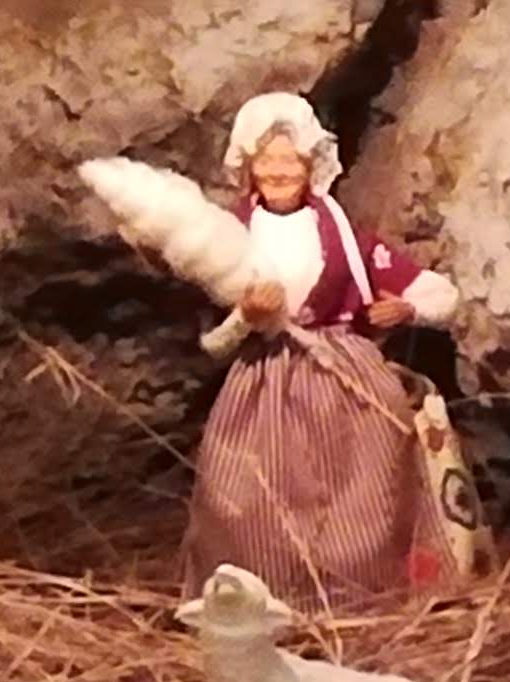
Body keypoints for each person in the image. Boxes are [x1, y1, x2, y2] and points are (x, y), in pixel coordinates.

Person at [180, 92, 464, 613]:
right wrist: (247, 318)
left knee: (365, 491)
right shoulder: (227, 243)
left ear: (312, 164)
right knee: (247, 497)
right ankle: (262, 607)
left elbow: (443, 295)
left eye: (290, 159)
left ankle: (359, 603)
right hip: (263, 384)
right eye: (267, 160)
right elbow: (212, 343)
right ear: (248, 166)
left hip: (346, 379)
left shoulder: (349, 242)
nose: (279, 171)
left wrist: (406, 308)